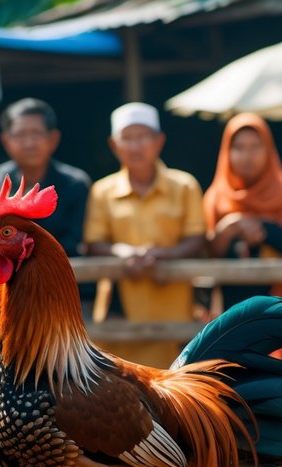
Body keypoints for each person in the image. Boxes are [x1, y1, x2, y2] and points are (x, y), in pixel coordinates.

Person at [84, 102, 206, 367]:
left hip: (173, 308)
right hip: (119, 311)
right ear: (114, 145)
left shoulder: (185, 186)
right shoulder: (102, 191)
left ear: (159, 141)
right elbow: (94, 242)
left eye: (143, 137)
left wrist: (163, 254)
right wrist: (123, 252)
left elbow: (197, 238)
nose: (136, 146)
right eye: (127, 138)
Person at [202, 112, 282, 311]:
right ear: (226, 152)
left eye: (256, 146)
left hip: (281, 306)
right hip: (229, 310)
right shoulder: (216, 197)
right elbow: (205, 252)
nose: (248, 156)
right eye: (239, 148)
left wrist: (264, 229)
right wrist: (229, 227)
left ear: (269, 150)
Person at [0, 98, 92, 311]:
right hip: (10, 294)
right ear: (6, 141)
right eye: (20, 135)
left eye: (36, 134)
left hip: (64, 294)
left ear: (53, 139)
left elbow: (75, 243)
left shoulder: (75, 183)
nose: (29, 142)